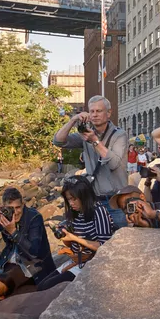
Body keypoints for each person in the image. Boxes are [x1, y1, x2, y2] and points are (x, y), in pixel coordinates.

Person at [53, 96, 129, 229]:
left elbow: (113, 164)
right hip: (94, 201)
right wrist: (73, 120)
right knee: (96, 241)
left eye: (99, 111)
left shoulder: (119, 135)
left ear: (108, 113)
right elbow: (58, 141)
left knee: (118, 241)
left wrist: (94, 141)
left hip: (115, 201)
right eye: (92, 111)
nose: (95, 115)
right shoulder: (86, 135)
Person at [0, 186, 56, 286]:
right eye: (10, 209)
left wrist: (13, 232)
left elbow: (34, 252)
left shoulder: (34, 218)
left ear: (23, 204)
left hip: (31, 265)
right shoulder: (3, 216)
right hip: (9, 259)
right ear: (3, 207)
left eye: (18, 207)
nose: (15, 212)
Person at [49, 176, 115, 287]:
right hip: (76, 260)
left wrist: (74, 238)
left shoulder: (98, 211)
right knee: (42, 285)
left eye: (74, 199)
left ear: (84, 196)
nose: (71, 203)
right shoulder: (76, 211)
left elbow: (105, 246)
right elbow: (71, 243)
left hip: (89, 263)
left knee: (48, 287)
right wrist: (65, 237)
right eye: (68, 199)